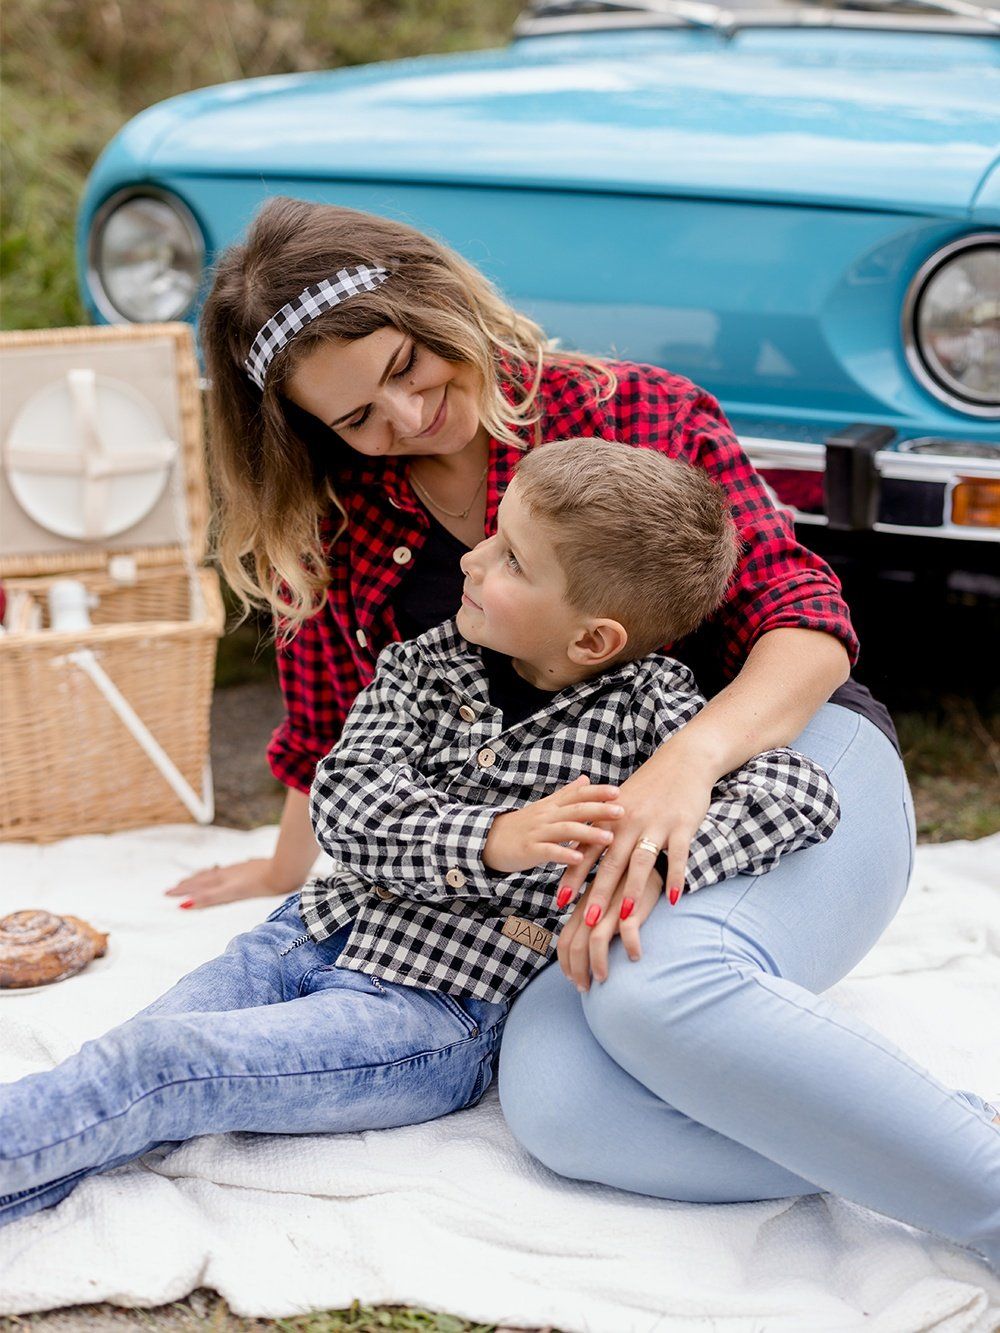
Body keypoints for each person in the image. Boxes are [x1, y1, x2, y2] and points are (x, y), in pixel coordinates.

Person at [160, 196, 998, 1270]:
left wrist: (682, 765)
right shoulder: (339, 518)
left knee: (653, 987)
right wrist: (283, 861)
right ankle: (936, 1133)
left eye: (411, 366)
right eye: (359, 417)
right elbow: (331, 722)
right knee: (565, 1112)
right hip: (599, 852)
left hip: (784, 769)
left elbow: (804, 623)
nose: (407, 419)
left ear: (439, 305)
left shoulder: (635, 412)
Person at [0, 439, 841, 1226]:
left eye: (511, 558)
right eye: (492, 535)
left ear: (593, 637)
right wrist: (493, 838)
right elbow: (348, 803)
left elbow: (802, 794)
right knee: (126, 1063)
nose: (472, 560)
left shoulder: (652, 712)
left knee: (162, 1068)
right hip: (306, 936)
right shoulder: (421, 665)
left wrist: (644, 861)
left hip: (430, 1010)